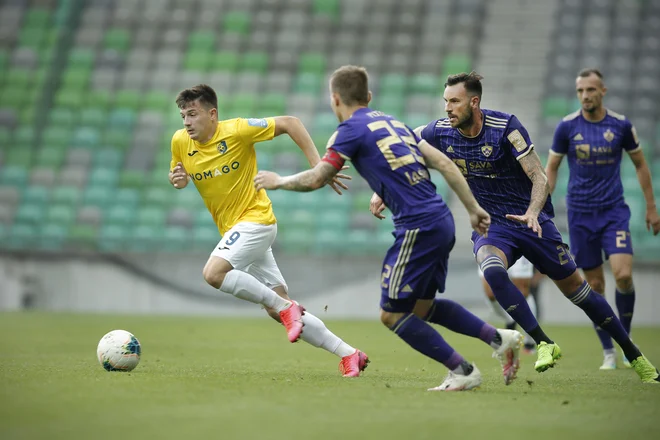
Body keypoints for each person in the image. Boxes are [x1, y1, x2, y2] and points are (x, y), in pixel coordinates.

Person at [254, 65, 525, 392]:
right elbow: (443, 163)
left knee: (392, 315)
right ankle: (500, 338)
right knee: (423, 307)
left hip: (417, 226)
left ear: (335, 99)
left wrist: (278, 181)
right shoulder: (393, 123)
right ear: (367, 97)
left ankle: (463, 370)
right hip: (441, 220)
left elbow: (317, 177)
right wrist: (472, 209)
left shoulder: (348, 131)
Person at [387, 71, 658, 383]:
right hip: (494, 226)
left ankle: (635, 356)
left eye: (454, 101)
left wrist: (532, 212)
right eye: (445, 101)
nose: (447, 108)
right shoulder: (439, 131)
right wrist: (385, 192)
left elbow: (539, 176)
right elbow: (404, 140)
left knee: (578, 292)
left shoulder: (506, 127)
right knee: (492, 270)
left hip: (532, 222)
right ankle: (543, 342)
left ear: (474, 102)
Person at [168, 84, 368, 377]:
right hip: (236, 230)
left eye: (193, 114)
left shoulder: (236, 131)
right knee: (280, 308)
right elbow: (180, 177)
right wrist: (178, 179)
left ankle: (287, 309)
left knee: (213, 274)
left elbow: (291, 123)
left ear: (212, 114)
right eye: (183, 115)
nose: (186, 122)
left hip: (256, 221)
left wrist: (319, 168)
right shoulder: (180, 141)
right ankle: (349, 354)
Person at [546, 68, 660, 370]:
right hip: (581, 215)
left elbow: (640, 164)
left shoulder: (621, 125)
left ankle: (627, 340)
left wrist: (651, 207)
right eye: (581, 90)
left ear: (603, 91)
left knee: (622, 275)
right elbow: (553, 166)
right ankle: (609, 350)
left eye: (591, 90)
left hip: (613, 212)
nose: (585, 95)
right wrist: (543, 202)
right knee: (594, 286)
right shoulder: (567, 127)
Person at [480, 257, 538, 353]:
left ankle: (530, 341)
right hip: (488, 247)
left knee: (523, 292)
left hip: (517, 244)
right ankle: (510, 320)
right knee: (490, 293)